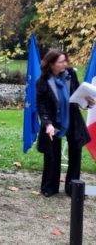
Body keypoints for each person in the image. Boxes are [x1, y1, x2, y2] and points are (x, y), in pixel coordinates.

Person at [36, 49, 94, 197]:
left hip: (72, 120)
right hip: (53, 122)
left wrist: (88, 101)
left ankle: (73, 188)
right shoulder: (42, 82)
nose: (65, 64)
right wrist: (47, 124)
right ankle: (50, 187)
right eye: (61, 62)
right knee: (52, 155)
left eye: (65, 61)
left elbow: (77, 94)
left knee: (76, 154)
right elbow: (41, 106)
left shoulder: (71, 74)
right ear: (51, 64)